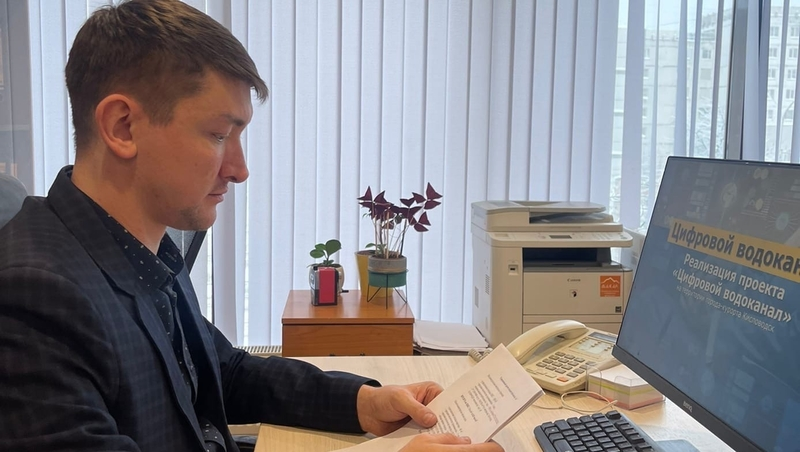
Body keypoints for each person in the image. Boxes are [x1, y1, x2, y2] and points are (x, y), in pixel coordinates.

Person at [0, 1, 502, 451]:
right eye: (219, 134)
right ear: (122, 127)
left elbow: (222, 371)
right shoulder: (33, 299)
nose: (240, 170)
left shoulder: (140, 249)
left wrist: (362, 403)